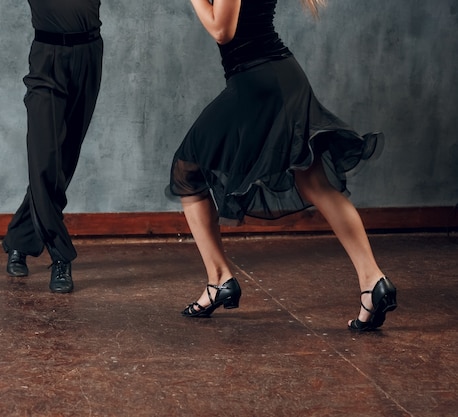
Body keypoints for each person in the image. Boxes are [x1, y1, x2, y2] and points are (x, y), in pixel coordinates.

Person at [169, 0, 397, 330]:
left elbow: (223, 30)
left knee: (186, 169)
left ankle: (219, 279)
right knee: (314, 183)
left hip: (258, 83)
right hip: (280, 77)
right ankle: (374, 283)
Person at [2, 0, 104, 293]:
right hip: (47, 59)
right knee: (44, 159)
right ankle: (61, 255)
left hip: (89, 53)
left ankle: (21, 239)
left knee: (65, 160)